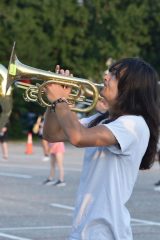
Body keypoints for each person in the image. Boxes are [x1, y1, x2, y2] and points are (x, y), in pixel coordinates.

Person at [43, 58, 159, 240]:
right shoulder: (103, 120)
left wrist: (60, 100)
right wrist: (54, 104)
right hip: (83, 230)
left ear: (131, 88)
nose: (106, 77)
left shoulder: (133, 125)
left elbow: (77, 137)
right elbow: (52, 134)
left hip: (106, 233)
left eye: (114, 75)